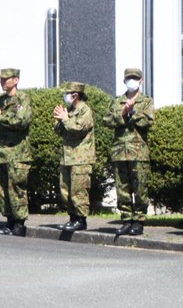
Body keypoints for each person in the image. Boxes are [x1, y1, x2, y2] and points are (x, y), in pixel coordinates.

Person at [105, 67, 154, 236]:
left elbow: (148, 121)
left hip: (138, 152)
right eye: (129, 78)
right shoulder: (116, 101)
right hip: (119, 151)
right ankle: (126, 219)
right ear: (124, 81)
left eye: (135, 78)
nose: (132, 81)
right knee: (122, 188)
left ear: (141, 81)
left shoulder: (146, 101)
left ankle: (139, 220)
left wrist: (131, 113)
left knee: (140, 187)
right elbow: (108, 120)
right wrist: (123, 113)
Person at [0, 67, 31, 236]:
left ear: (16, 80)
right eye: (1, 79)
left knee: (16, 189)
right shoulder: (2, 100)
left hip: (18, 153)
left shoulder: (23, 99)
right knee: (3, 189)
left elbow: (22, 122)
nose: (3, 82)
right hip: (3, 153)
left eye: (6, 79)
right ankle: (9, 222)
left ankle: (19, 224)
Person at [53, 81, 95, 232]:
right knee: (66, 191)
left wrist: (65, 119)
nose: (65, 97)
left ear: (75, 95)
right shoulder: (69, 110)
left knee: (79, 191)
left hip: (80, 159)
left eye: (67, 94)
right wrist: (60, 120)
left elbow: (79, 128)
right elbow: (59, 131)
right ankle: (72, 218)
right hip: (67, 157)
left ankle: (81, 221)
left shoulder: (85, 110)